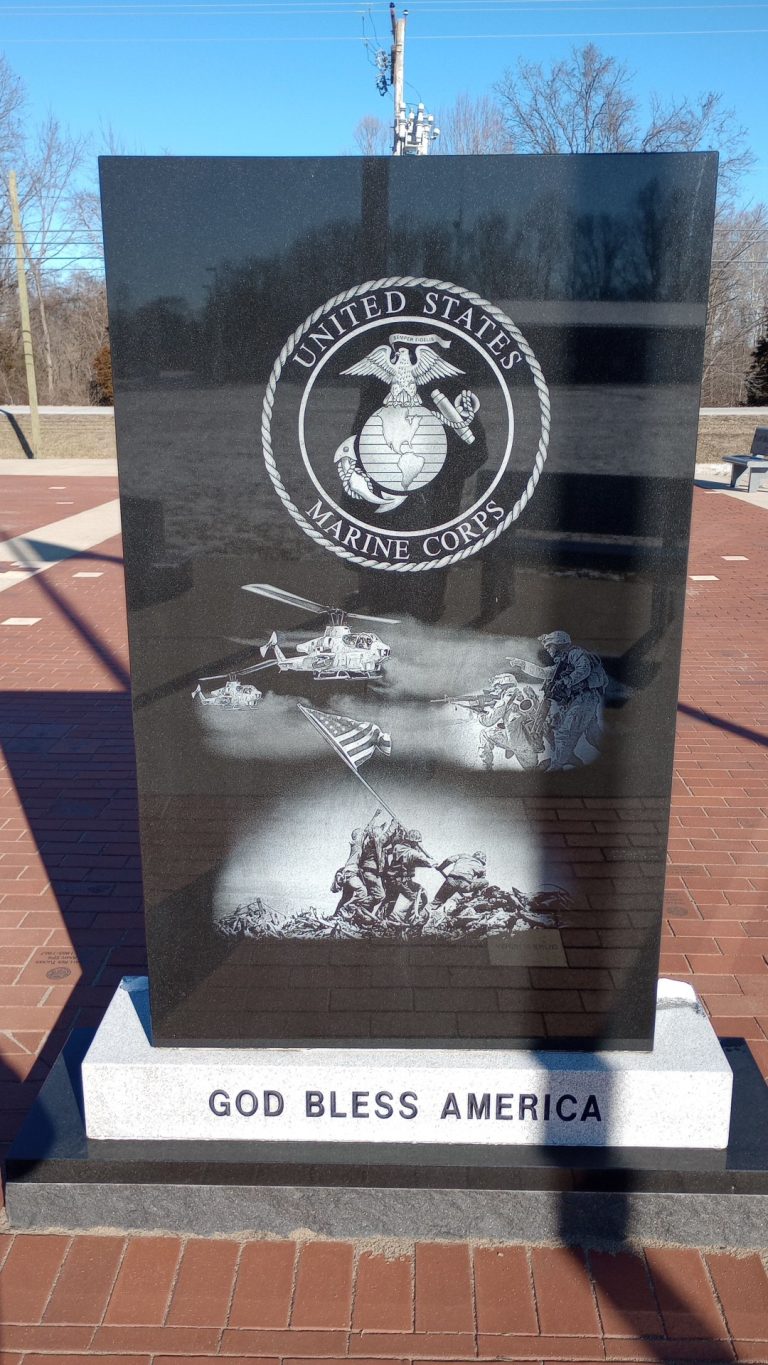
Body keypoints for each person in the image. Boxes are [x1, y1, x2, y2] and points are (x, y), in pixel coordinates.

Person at [383, 826, 436, 923]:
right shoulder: (413, 853)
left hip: (392, 880)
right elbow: (426, 862)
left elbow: (411, 861)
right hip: (402, 881)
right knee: (419, 898)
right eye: (416, 842)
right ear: (413, 842)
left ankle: (383, 919)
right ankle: (403, 918)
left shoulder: (397, 847)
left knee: (389, 901)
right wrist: (432, 862)